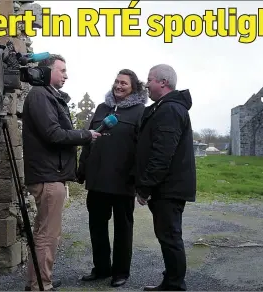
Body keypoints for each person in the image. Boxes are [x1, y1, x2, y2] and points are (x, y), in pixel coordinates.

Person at [22, 54, 101, 291]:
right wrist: (86, 135)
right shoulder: (40, 95)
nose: (66, 75)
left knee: (43, 231)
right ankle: (41, 285)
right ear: (47, 71)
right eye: (62, 70)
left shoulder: (46, 96)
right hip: (48, 176)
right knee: (49, 234)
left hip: (50, 174)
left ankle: (36, 281)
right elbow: (53, 134)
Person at [77, 69, 147, 287]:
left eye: (124, 83)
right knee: (96, 225)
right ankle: (101, 268)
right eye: (117, 82)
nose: (118, 86)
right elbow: (90, 139)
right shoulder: (102, 108)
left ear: (133, 87)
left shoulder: (140, 112)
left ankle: (120, 272)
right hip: (97, 179)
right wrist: (82, 168)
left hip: (123, 180)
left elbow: (142, 148)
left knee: (123, 228)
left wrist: (138, 179)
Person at [134, 64, 196, 291]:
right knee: (167, 235)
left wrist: (145, 187)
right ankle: (172, 278)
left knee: (170, 237)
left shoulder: (169, 110)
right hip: (166, 188)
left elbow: (162, 154)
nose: (146, 84)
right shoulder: (164, 107)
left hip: (168, 189)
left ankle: (175, 285)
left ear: (163, 82)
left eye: (149, 80)